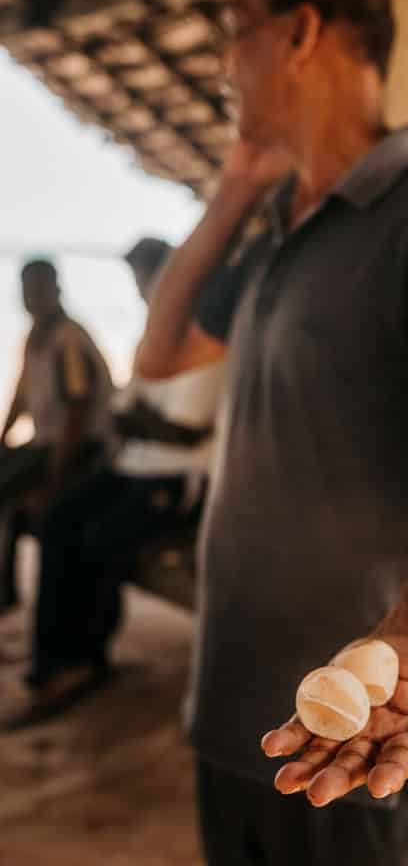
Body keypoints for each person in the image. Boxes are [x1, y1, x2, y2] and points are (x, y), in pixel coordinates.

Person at [135, 0, 408, 866]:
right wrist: (234, 190)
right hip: (234, 721)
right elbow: (157, 352)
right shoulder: (276, 233)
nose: (227, 64)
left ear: (302, 31)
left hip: (361, 740)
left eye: (239, 33)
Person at [3, 239, 226, 724]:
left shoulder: (209, 334)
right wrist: (145, 420)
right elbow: (127, 411)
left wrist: (144, 419)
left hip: (173, 476)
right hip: (132, 465)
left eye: (151, 278)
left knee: (97, 541)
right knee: (56, 523)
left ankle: (86, 659)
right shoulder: (154, 334)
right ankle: (51, 664)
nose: (148, 290)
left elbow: (181, 428)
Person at [0, 258, 112, 612]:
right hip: (48, 444)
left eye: (39, 288)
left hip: (81, 447)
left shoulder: (68, 338)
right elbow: (21, 396)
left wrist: (54, 479)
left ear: (56, 288)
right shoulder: (35, 337)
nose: (32, 297)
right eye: (27, 290)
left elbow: (78, 413)